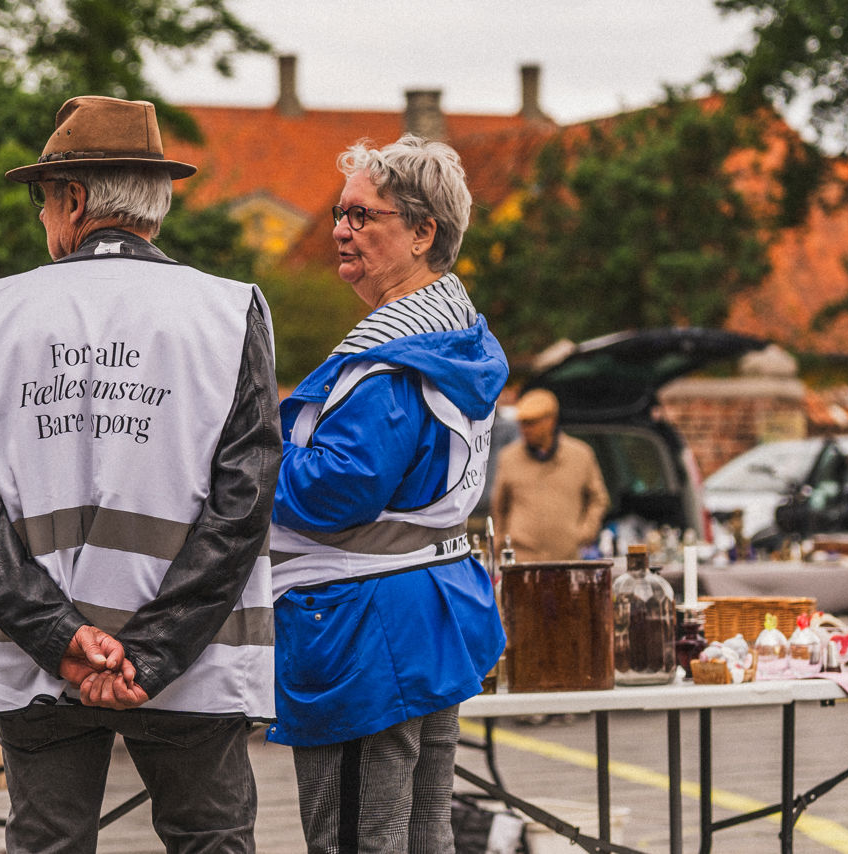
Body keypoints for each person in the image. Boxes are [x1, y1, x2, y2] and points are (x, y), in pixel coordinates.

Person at [0, 95, 280, 853]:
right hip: (195, 661)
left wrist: (58, 637)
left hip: (37, 661)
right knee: (210, 841)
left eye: (43, 200)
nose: (42, 219)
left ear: (75, 198)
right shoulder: (229, 310)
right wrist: (153, 653)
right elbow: (243, 502)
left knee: (46, 842)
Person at [268, 134, 508, 851]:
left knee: (356, 839)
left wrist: (249, 451)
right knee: (421, 835)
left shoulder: (392, 365)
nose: (340, 229)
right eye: (341, 213)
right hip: (429, 606)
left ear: (423, 231)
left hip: (363, 630)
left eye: (362, 216)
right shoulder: (455, 338)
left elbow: (334, 491)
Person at [491, 388, 610, 561]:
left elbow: (598, 499)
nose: (525, 429)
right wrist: (499, 542)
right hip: (521, 559)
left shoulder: (581, 455)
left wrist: (584, 533)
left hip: (566, 558)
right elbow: (500, 506)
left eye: (531, 423)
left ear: (551, 421)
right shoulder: (508, 458)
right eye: (522, 423)